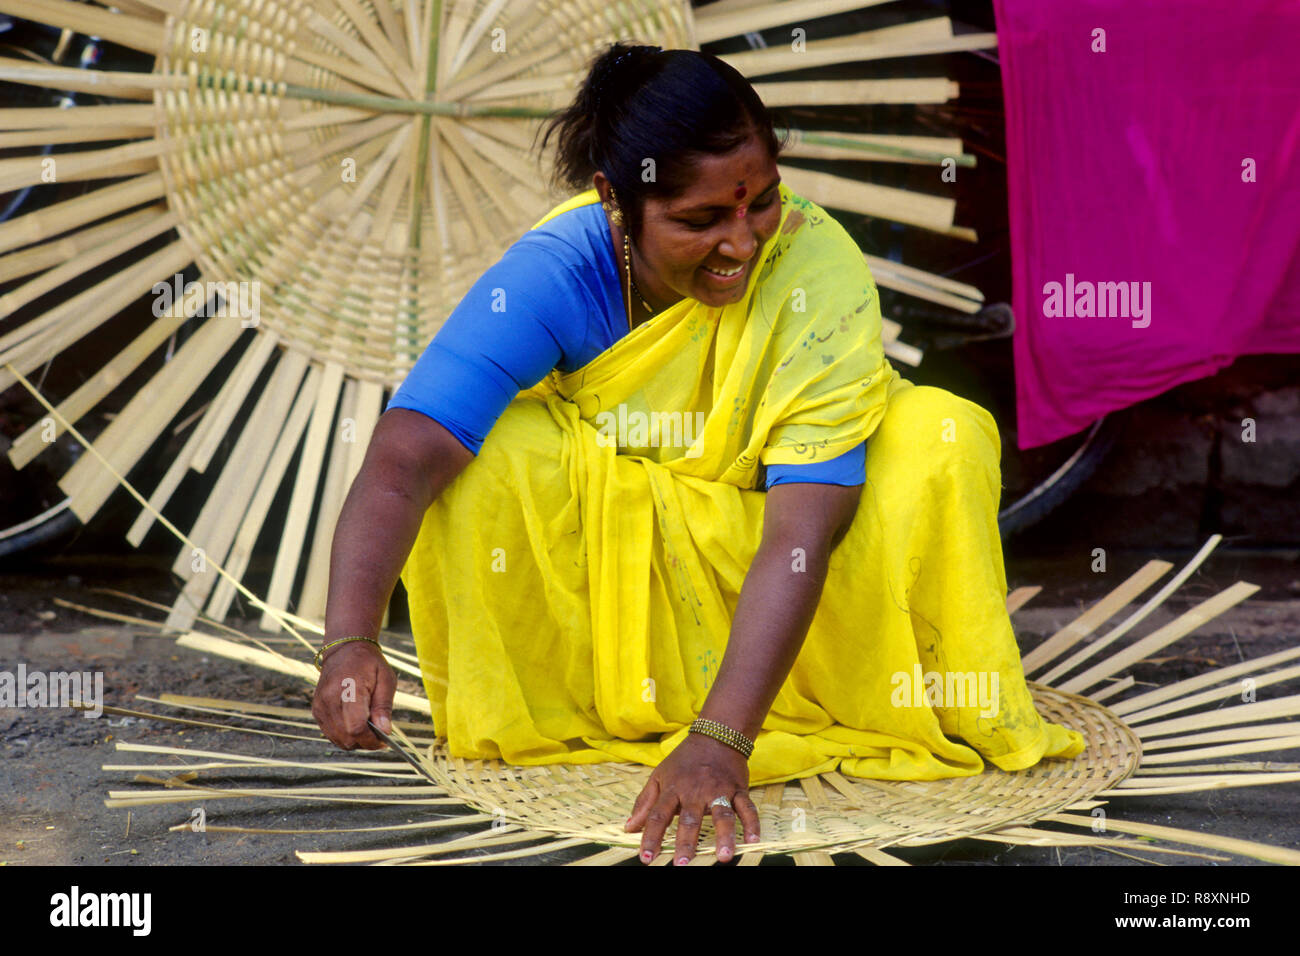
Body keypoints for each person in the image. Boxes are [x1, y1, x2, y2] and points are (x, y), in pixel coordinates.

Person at [311, 43, 1085, 866]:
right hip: (626, 578)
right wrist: (348, 640)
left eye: (760, 205)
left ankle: (813, 703)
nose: (743, 244)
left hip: (799, 559)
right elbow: (404, 457)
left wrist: (721, 740)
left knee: (940, 431)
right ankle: (590, 708)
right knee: (487, 450)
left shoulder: (813, 270)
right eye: (700, 220)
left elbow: (800, 536)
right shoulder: (556, 273)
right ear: (614, 198)